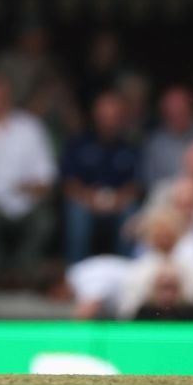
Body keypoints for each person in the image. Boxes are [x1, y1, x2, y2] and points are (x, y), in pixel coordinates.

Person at [0, 73, 56, 285]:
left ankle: (26, 275)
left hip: (25, 202)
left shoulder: (30, 127)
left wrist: (33, 187)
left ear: (10, 98)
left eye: (1, 97)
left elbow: (46, 175)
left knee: (44, 220)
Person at [61, 91, 140, 261]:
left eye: (114, 116)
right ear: (95, 117)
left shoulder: (130, 147)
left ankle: (126, 270)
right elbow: (69, 184)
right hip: (86, 201)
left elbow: (135, 186)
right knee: (76, 212)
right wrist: (89, 198)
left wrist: (118, 200)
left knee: (131, 211)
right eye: (104, 116)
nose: (109, 122)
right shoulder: (79, 144)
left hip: (119, 204)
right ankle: (75, 271)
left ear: (121, 118)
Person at [142, 85, 193, 188]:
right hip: (168, 196)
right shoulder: (156, 144)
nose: (177, 115)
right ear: (165, 113)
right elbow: (151, 182)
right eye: (173, 112)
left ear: (190, 108)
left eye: (182, 110)